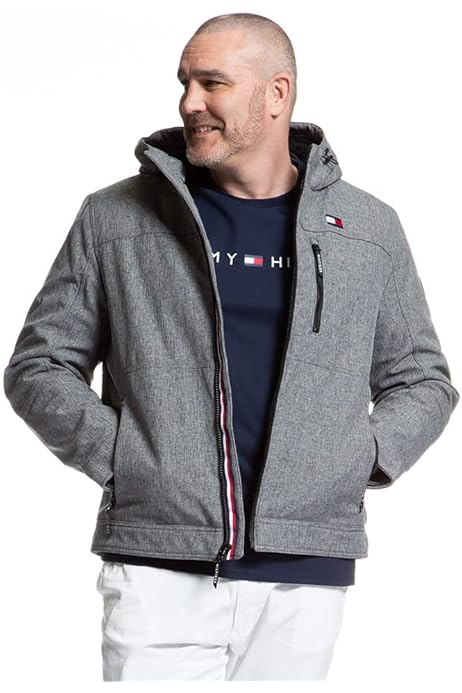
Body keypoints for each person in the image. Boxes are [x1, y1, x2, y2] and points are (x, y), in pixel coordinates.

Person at [3, 11, 459, 682]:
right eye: (185, 83)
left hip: (304, 570)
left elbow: (421, 380)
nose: (190, 102)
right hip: (159, 564)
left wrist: (350, 460)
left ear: (277, 94)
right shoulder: (116, 218)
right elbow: (40, 365)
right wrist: (128, 459)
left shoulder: (366, 229)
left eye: (212, 83)